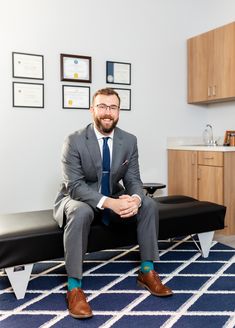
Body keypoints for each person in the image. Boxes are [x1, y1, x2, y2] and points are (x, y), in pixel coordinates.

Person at [53, 88, 173, 319]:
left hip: (111, 195)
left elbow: (134, 180)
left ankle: (147, 272)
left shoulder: (128, 140)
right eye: (102, 106)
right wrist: (109, 203)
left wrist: (136, 199)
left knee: (149, 204)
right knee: (80, 211)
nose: (107, 112)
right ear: (92, 110)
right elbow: (75, 186)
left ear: (118, 111)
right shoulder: (74, 140)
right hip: (77, 198)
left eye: (113, 107)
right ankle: (74, 287)